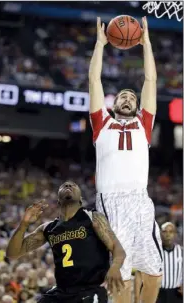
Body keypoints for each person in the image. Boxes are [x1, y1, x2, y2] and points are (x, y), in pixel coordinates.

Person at [89, 16, 163, 303]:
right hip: (111, 203)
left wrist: (146, 44)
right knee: (122, 276)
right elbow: (94, 79)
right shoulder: (101, 124)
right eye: (123, 96)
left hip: (140, 201)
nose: (129, 98)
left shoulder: (144, 124)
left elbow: (150, 79)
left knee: (154, 272)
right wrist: (100, 45)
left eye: (132, 97)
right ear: (113, 103)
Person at [6, 181, 126, 303]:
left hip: (89, 290)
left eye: (73, 185)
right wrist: (24, 224)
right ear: (58, 201)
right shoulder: (48, 228)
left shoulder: (92, 217)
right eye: (64, 186)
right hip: (61, 292)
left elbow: (118, 248)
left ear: (80, 199)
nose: (68, 186)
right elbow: (12, 254)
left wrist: (115, 267)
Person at [156, 222, 183, 303]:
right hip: (158, 293)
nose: (168, 235)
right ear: (160, 233)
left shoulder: (181, 251)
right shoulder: (155, 252)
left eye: (171, 232)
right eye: (164, 231)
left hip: (177, 293)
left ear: (175, 234)